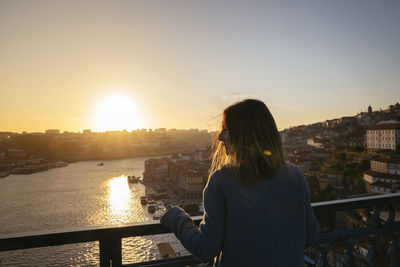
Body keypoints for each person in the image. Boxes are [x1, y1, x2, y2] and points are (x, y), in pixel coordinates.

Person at [160, 99, 320, 266]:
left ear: (243, 135)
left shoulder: (221, 181)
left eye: (225, 129)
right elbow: (312, 235)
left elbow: (205, 250)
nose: (220, 137)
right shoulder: (295, 175)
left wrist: (177, 218)